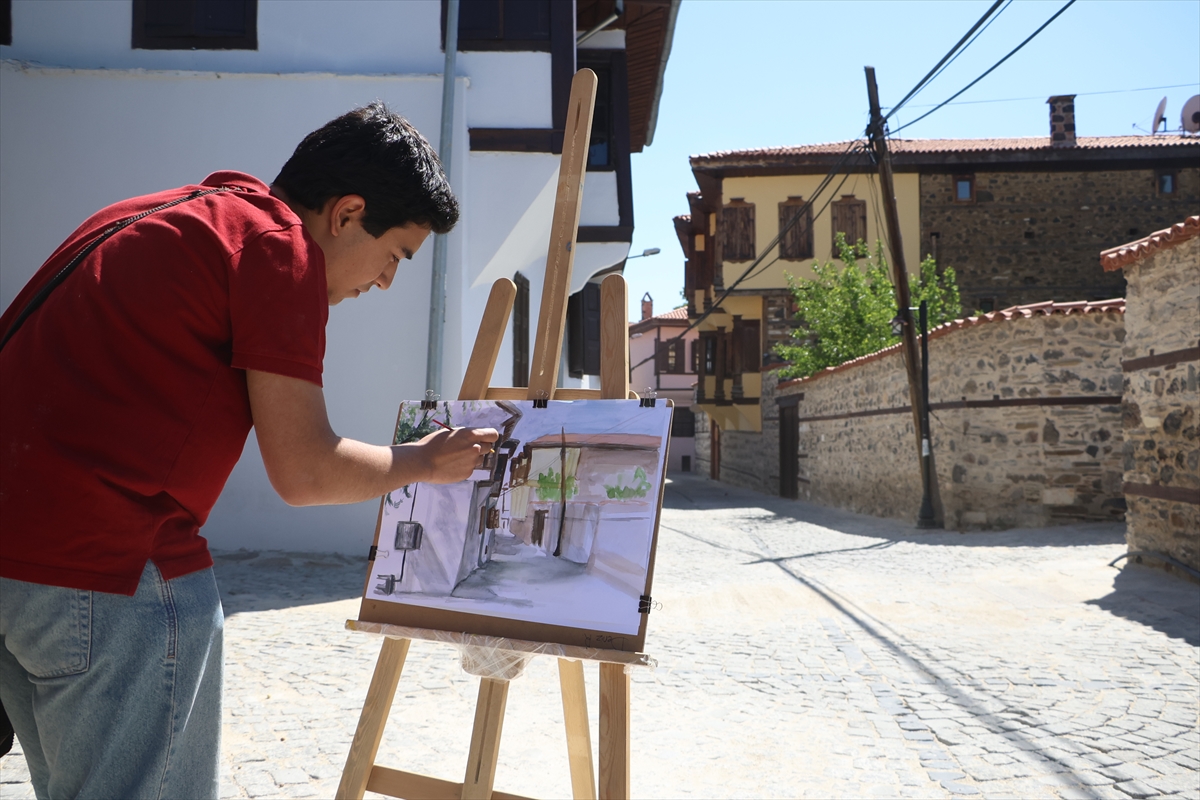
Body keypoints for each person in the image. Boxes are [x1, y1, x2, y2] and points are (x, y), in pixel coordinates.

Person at [0, 102, 498, 799]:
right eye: (396, 256)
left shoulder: (159, 213)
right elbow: (305, 471)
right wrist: (423, 461)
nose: (385, 282)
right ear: (347, 212)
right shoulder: (277, 249)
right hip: (110, 571)